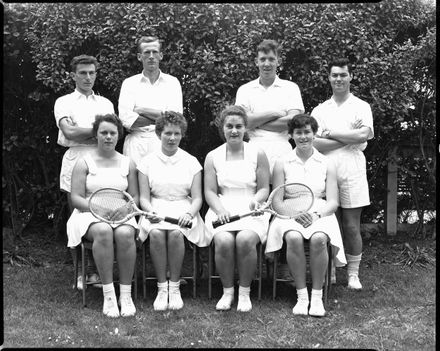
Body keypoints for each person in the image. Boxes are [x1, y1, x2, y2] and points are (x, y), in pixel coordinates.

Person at [265, 114, 346, 317]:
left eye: (307, 132)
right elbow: (277, 200)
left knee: (319, 239)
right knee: (293, 237)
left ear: (314, 134)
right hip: (288, 212)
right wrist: (293, 214)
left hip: (320, 211)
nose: (303, 137)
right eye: (298, 132)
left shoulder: (327, 162)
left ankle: (317, 296)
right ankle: (302, 296)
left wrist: (316, 215)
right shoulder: (282, 162)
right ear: (291, 135)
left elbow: (333, 202)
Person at [67, 114, 138, 318]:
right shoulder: (84, 162)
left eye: (112, 133)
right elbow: (76, 198)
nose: (108, 137)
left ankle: (125, 295)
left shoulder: (128, 163)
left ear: (119, 136)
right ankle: (109, 296)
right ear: (96, 135)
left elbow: (135, 196)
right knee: (104, 231)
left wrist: (125, 209)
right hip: (89, 213)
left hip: (121, 212)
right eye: (103, 132)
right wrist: (98, 209)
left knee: (125, 234)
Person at [311, 58, 374, 290]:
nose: (338, 79)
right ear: (329, 78)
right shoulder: (320, 110)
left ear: (351, 77)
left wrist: (331, 134)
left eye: (343, 75)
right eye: (334, 75)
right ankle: (331, 271)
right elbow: (315, 143)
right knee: (329, 224)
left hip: (353, 170)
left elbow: (363, 136)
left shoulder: (362, 106)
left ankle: (353, 274)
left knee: (350, 226)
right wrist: (349, 136)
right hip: (325, 172)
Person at [137, 111, 210, 311]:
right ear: (159, 133)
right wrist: (149, 210)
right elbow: (144, 197)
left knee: (177, 233)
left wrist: (189, 214)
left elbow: (197, 198)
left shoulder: (191, 161)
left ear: (182, 135)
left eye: (176, 133)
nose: (172, 138)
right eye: (167, 133)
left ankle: (175, 287)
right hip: (155, 207)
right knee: (157, 233)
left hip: (184, 208)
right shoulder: (146, 162)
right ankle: (162, 288)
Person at [54, 55, 114, 290]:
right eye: (82, 73)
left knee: (102, 213)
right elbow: (69, 133)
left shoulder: (105, 104)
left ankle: (99, 272)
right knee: (77, 217)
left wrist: (87, 131)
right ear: (73, 75)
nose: (87, 77)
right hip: (75, 157)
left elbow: (112, 133)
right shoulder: (64, 102)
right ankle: (81, 272)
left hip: (102, 160)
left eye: (91, 72)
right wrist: (99, 130)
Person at [204, 105, 270, 312]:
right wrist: (220, 210)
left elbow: (264, 188)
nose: (234, 131)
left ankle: (244, 292)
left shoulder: (258, 153)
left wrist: (257, 201)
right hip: (222, 206)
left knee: (244, 239)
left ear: (245, 128)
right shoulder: (212, 156)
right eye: (229, 126)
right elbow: (210, 192)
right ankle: (227, 291)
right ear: (222, 128)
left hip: (251, 207)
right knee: (223, 241)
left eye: (238, 126)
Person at [235, 39, 305, 176]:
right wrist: (275, 113)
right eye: (263, 59)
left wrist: (256, 122)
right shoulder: (245, 90)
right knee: (256, 195)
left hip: (283, 151)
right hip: (253, 150)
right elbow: (243, 122)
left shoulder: (291, 88)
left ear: (278, 61)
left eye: (271, 59)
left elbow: (293, 122)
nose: (267, 64)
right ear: (257, 61)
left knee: (282, 194)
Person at [118, 35, 183, 166]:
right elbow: (126, 119)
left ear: (161, 55)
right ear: (139, 56)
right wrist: (162, 117)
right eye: (147, 52)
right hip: (136, 144)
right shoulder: (129, 83)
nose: (151, 56)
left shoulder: (172, 83)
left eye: (155, 52)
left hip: (162, 142)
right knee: (134, 184)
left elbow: (176, 118)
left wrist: (142, 110)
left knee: (160, 184)